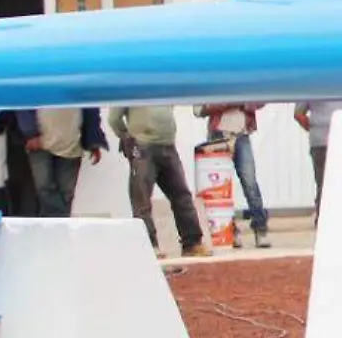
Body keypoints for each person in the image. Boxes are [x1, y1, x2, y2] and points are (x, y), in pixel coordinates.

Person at [109, 104, 208, 260]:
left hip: (167, 145)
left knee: (181, 195)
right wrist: (128, 137)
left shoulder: (162, 84)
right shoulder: (128, 83)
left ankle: (192, 243)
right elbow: (113, 118)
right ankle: (149, 247)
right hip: (142, 146)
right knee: (142, 200)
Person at [195, 102, 270, 248]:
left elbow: (260, 100)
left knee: (250, 183)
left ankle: (260, 229)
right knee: (222, 187)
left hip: (242, 134)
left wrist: (245, 103)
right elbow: (198, 110)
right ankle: (230, 231)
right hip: (218, 136)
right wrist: (228, 104)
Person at [14, 107, 107, 217]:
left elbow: (90, 108)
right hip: (39, 141)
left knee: (66, 192)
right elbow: (25, 102)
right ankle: (55, 223)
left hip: (71, 141)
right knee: (44, 186)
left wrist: (93, 140)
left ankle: (56, 224)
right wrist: (31, 132)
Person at [293, 99, 342, 225]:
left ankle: (330, 215)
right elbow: (298, 114)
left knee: (329, 182)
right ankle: (323, 216)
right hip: (322, 140)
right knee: (324, 182)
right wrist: (314, 128)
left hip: (337, 138)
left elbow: (298, 114)